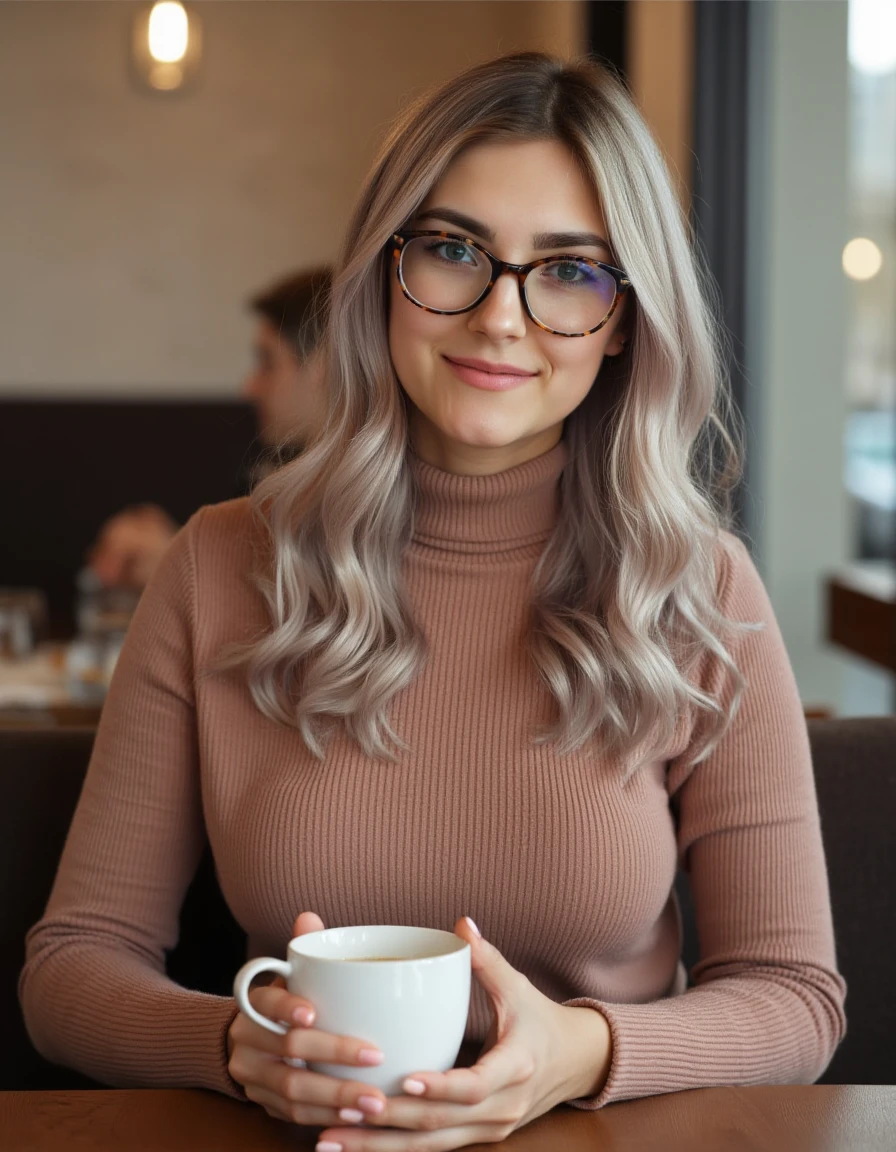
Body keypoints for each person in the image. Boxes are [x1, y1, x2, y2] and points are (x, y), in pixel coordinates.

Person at [21, 52, 845, 1151]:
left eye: (568, 271)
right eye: (453, 251)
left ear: (621, 323)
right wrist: (235, 1048)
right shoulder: (219, 567)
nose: (502, 318)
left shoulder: (698, 589)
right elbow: (72, 965)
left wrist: (581, 1053)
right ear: (380, 273)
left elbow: (795, 995)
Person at [86, 267, 331, 589]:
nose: (249, 386)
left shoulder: (365, 493)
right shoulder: (273, 469)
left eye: (268, 362)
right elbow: (249, 577)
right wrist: (179, 545)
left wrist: (176, 560)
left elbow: (303, 610)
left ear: (324, 368)